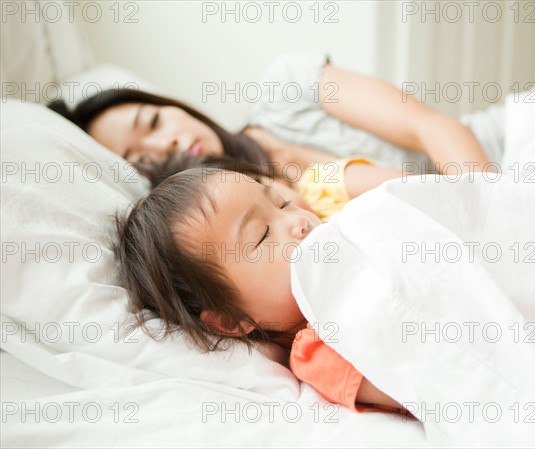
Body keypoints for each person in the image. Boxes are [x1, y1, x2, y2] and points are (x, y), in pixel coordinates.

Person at [112, 160, 421, 414]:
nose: (299, 222)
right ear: (231, 320)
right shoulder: (317, 352)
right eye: (262, 235)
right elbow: (429, 384)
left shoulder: (353, 225)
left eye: (282, 203)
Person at [49, 54, 498, 184]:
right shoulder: (257, 214)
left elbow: (433, 127)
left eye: (152, 122)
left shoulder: (284, 88)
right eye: (137, 159)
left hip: (499, 160)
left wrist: (497, 210)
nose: (163, 145)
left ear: (173, 105)